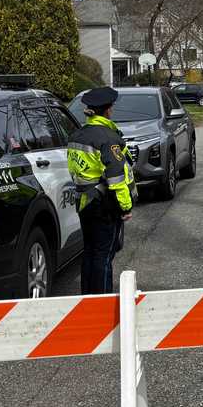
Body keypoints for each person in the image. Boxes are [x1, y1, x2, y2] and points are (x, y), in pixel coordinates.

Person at [67, 86, 135, 294]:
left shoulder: (77, 135)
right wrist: (125, 206)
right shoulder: (107, 138)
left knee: (90, 252)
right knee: (104, 255)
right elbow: (116, 179)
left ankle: (88, 299)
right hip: (104, 203)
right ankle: (102, 302)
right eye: (111, 108)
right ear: (107, 110)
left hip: (84, 200)